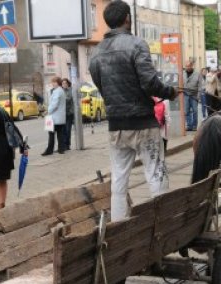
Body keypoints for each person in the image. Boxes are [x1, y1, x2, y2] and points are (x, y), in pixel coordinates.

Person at [89, 0, 177, 221]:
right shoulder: (137, 44)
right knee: (156, 173)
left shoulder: (96, 52)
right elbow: (149, 84)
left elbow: (102, 86)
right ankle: (163, 224)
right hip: (143, 124)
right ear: (127, 18)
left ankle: (118, 226)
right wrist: (169, 92)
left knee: (118, 180)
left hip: (116, 127)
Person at [41, 76, 66, 156]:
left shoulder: (57, 91)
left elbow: (54, 104)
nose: (52, 83)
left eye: (54, 82)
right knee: (59, 133)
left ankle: (49, 150)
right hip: (59, 117)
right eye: (52, 82)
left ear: (57, 83)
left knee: (51, 134)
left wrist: (48, 111)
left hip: (55, 117)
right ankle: (61, 149)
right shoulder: (60, 90)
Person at [183, 61, 201, 131]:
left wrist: (198, 96)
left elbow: (200, 86)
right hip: (186, 95)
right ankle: (189, 125)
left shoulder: (197, 74)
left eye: (188, 66)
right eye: (186, 66)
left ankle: (194, 126)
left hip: (194, 95)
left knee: (195, 111)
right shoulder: (183, 73)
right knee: (186, 111)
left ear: (191, 66)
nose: (187, 67)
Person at [61, 78, 74, 151]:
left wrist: (61, 98)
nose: (64, 85)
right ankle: (64, 144)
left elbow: (68, 99)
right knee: (63, 130)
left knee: (68, 129)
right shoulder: (61, 91)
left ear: (68, 84)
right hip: (62, 113)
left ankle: (68, 145)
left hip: (69, 113)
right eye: (63, 84)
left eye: (65, 83)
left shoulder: (70, 90)